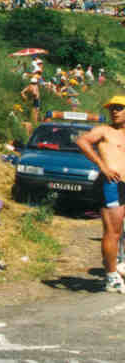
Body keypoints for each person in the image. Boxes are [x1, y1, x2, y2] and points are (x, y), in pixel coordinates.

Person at [77, 96, 125, 293]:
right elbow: (82, 141)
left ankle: (120, 263)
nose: (115, 111)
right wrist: (102, 165)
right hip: (111, 184)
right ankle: (111, 277)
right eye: (112, 108)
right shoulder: (105, 131)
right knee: (112, 232)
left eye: (119, 108)